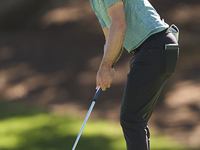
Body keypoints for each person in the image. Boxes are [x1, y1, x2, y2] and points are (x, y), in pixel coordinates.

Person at [90, 0, 179, 149]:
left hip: (155, 45)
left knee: (131, 119)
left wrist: (105, 67)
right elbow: (110, 35)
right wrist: (106, 67)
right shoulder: (94, 1)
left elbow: (119, 25)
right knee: (136, 119)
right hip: (156, 48)